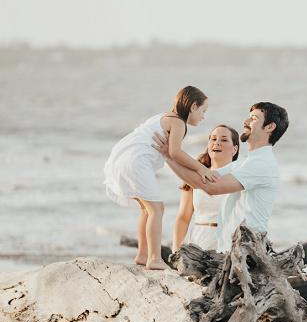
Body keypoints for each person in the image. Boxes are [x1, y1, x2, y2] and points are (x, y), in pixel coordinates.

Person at [104, 86, 217, 270]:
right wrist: (200, 169)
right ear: (193, 106)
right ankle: (155, 259)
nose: (203, 116)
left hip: (124, 157)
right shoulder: (179, 123)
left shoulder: (163, 117)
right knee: (157, 209)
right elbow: (175, 153)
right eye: (203, 111)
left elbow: (169, 153)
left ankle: (142, 254)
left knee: (147, 209)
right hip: (136, 161)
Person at [155, 102, 288, 251]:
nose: (246, 122)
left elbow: (211, 187)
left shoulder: (261, 164)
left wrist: (170, 156)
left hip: (248, 253)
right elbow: (204, 179)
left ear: (270, 127)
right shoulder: (245, 163)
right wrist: (171, 153)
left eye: (254, 119)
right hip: (229, 248)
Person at [172, 124, 241, 253]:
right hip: (198, 242)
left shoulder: (241, 177)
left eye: (224, 140)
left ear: (234, 149)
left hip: (230, 244)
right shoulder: (194, 177)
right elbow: (183, 218)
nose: (217, 143)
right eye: (213, 139)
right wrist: (176, 250)